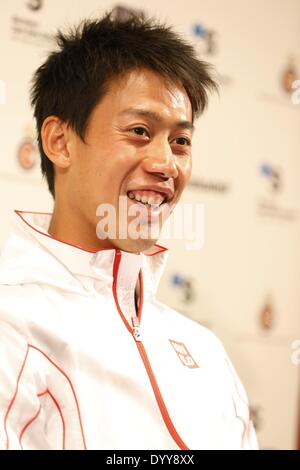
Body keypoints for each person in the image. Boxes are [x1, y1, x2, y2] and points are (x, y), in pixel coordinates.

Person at [0, 10, 258, 450]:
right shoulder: (12, 323)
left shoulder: (206, 350)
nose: (165, 164)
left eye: (181, 141)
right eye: (140, 131)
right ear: (59, 142)